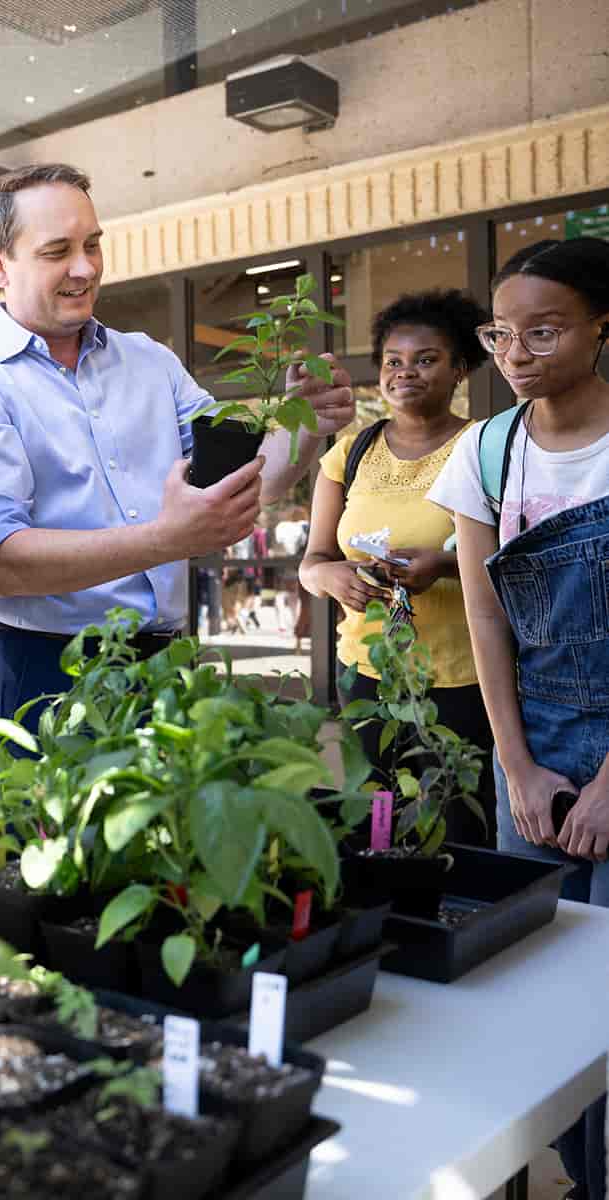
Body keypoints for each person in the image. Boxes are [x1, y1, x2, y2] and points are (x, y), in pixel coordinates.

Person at [0, 162, 355, 722]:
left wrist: (302, 427)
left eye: (92, 245)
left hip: (164, 667)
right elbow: (1, 559)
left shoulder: (149, 360)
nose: (85, 268)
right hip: (41, 672)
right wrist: (166, 539)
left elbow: (241, 486)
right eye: (57, 252)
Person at [428, 237, 609, 1200]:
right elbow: (484, 619)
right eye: (504, 331)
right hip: (530, 742)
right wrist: (517, 766)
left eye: (545, 329)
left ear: (600, 326)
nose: (517, 350)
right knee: (539, 991)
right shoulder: (487, 449)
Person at [300, 288, 495, 845]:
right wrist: (330, 576)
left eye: (426, 360)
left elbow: (514, 557)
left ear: (460, 369)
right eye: (393, 361)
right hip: (366, 672)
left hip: (464, 678)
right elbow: (314, 561)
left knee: (458, 820)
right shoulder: (349, 452)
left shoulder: (484, 447)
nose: (405, 373)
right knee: (376, 815)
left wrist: (449, 564)